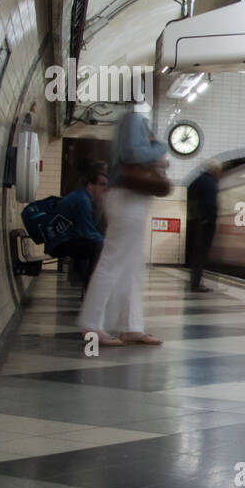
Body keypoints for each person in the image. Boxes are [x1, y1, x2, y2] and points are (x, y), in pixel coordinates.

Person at [78, 109, 168, 347]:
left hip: (134, 198)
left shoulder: (138, 120)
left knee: (132, 266)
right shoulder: (133, 118)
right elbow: (131, 153)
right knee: (113, 261)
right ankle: (92, 324)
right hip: (127, 197)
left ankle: (131, 326)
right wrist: (160, 148)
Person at [46, 162, 108, 294]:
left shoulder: (81, 197)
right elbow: (88, 231)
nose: (105, 189)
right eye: (102, 184)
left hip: (60, 239)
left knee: (92, 245)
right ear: (90, 185)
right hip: (59, 242)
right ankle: (91, 288)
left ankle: (85, 282)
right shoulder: (83, 201)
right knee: (99, 245)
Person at [187, 160, 221, 292]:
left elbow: (189, 196)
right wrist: (208, 220)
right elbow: (210, 204)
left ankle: (195, 283)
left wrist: (194, 218)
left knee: (197, 255)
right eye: (219, 172)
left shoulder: (198, 180)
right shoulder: (209, 182)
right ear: (215, 171)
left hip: (195, 222)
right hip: (204, 224)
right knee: (201, 255)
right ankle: (196, 284)